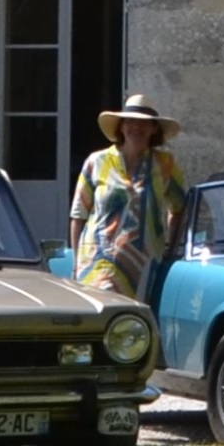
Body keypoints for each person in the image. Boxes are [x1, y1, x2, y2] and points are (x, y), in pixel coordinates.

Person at [67, 96, 188, 302]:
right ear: (121, 126)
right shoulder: (97, 162)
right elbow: (78, 215)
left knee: (132, 320)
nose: (136, 127)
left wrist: (170, 247)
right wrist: (76, 263)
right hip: (95, 265)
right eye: (130, 121)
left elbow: (179, 208)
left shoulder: (164, 164)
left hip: (142, 269)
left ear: (154, 129)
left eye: (144, 123)